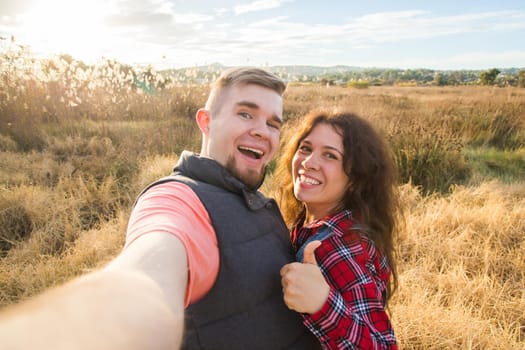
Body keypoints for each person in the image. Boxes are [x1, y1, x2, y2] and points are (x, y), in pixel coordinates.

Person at [0, 67, 320, 350]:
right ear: (206, 122)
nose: (263, 131)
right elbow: (143, 280)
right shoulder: (179, 200)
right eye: (246, 114)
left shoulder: (261, 204)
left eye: (273, 123)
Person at [276, 109, 400, 349]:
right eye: (305, 148)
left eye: (330, 156)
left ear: (355, 177)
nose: (309, 163)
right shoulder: (315, 222)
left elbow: (383, 345)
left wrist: (323, 304)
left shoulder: (340, 247)